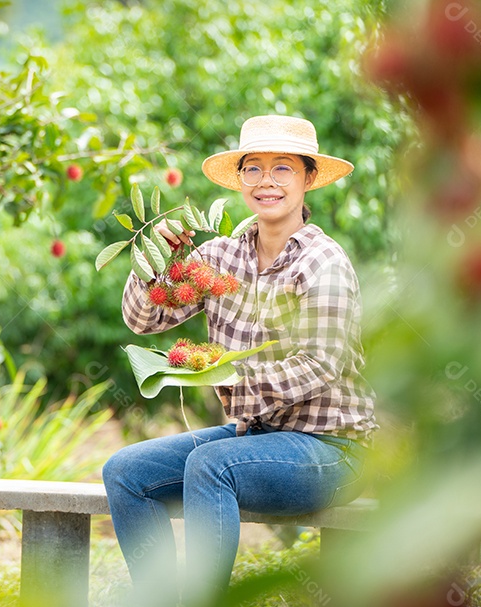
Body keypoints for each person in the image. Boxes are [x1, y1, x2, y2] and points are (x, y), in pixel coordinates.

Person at [103, 115, 378, 606]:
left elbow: (320, 364)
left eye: (283, 169)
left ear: (308, 178)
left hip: (333, 450)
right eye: (253, 169)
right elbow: (142, 321)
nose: (266, 181)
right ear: (241, 180)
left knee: (211, 465)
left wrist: (228, 379)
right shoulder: (219, 255)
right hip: (255, 439)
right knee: (125, 472)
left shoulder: (323, 262)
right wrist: (157, 259)